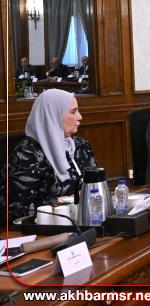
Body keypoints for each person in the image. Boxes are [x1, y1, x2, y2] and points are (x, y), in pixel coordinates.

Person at [5, 89, 97, 221]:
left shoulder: (81, 146)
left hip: (83, 220)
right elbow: (16, 210)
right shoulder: (27, 153)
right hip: (44, 228)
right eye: (73, 112)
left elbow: (96, 186)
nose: (80, 117)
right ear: (53, 116)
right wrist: (62, 201)